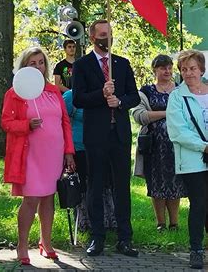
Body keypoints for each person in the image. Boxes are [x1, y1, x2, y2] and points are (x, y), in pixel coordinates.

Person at [1, 47, 75, 265]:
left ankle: (46, 242)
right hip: (29, 153)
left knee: (48, 198)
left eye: (41, 62)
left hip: (53, 153)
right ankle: (22, 245)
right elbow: (6, 122)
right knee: (31, 198)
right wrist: (25, 125)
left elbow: (65, 122)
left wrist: (69, 151)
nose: (37, 67)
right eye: (32, 63)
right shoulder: (14, 93)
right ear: (24, 67)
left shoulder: (53, 91)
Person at [72, 19, 140, 257]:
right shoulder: (82, 65)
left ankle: (125, 238)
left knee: (122, 187)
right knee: (96, 186)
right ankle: (97, 237)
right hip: (96, 136)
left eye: (109, 34)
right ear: (92, 38)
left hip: (119, 134)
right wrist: (101, 95)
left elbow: (134, 97)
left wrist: (120, 102)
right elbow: (79, 98)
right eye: (102, 34)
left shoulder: (122, 64)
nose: (107, 38)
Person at [132, 55, 186, 233]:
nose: (168, 71)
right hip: (153, 145)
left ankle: (174, 223)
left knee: (175, 182)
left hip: (177, 144)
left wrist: (160, 113)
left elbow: (186, 114)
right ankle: (161, 223)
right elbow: (140, 116)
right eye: (163, 68)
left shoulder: (180, 90)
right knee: (156, 184)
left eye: (170, 68)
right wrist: (167, 113)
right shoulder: (146, 91)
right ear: (155, 70)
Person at [166, 50, 208, 269]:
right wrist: (204, 146)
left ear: (201, 69)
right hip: (192, 159)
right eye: (184, 69)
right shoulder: (176, 96)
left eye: (192, 68)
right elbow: (177, 131)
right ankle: (196, 250)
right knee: (200, 203)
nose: (189, 73)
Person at [62, 89, 118, 232]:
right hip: (79, 147)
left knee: (105, 184)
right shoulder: (70, 96)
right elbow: (62, 123)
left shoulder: (104, 93)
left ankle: (108, 221)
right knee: (84, 187)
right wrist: (67, 152)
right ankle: (84, 222)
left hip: (102, 146)